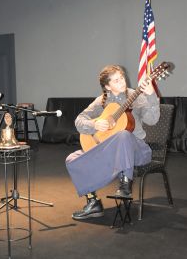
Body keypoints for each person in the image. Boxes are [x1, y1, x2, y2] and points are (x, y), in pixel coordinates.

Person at [65, 64, 160, 220]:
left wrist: (151, 95)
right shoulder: (101, 101)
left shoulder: (137, 96)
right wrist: (94, 125)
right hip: (111, 151)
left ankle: (125, 185)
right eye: (116, 80)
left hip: (138, 151)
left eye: (122, 78)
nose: (122, 82)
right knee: (71, 158)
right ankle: (93, 203)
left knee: (123, 134)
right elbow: (79, 120)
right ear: (107, 86)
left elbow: (152, 120)